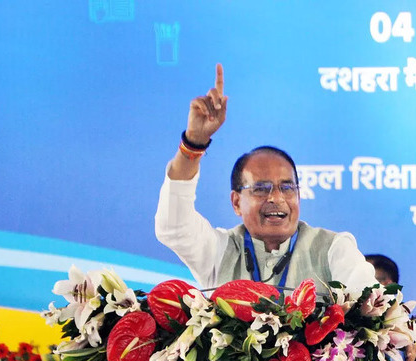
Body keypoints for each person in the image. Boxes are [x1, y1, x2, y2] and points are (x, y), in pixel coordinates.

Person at [154, 64, 378, 295]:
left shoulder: (333, 249)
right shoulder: (219, 250)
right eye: (261, 189)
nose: (276, 198)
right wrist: (193, 143)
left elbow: (376, 310)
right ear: (236, 202)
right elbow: (173, 226)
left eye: (287, 187)